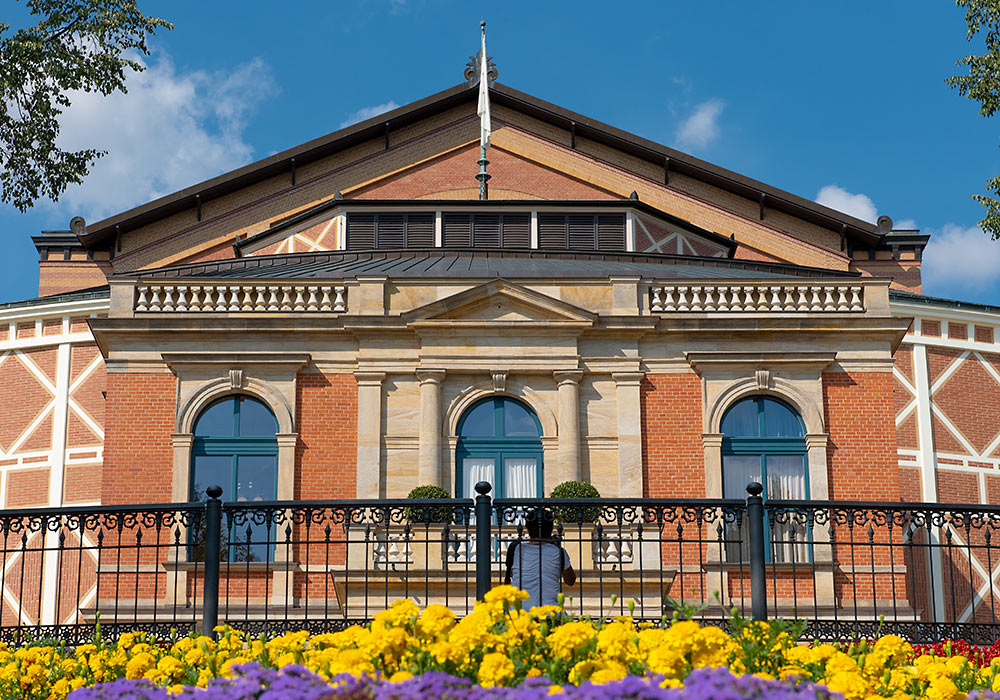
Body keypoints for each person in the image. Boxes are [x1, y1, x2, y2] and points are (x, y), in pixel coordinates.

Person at [504, 508, 576, 609]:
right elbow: (570, 581)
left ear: (527, 528)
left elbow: (512, 574)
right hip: (550, 613)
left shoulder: (516, 549)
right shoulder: (558, 552)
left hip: (519, 613)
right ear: (551, 529)